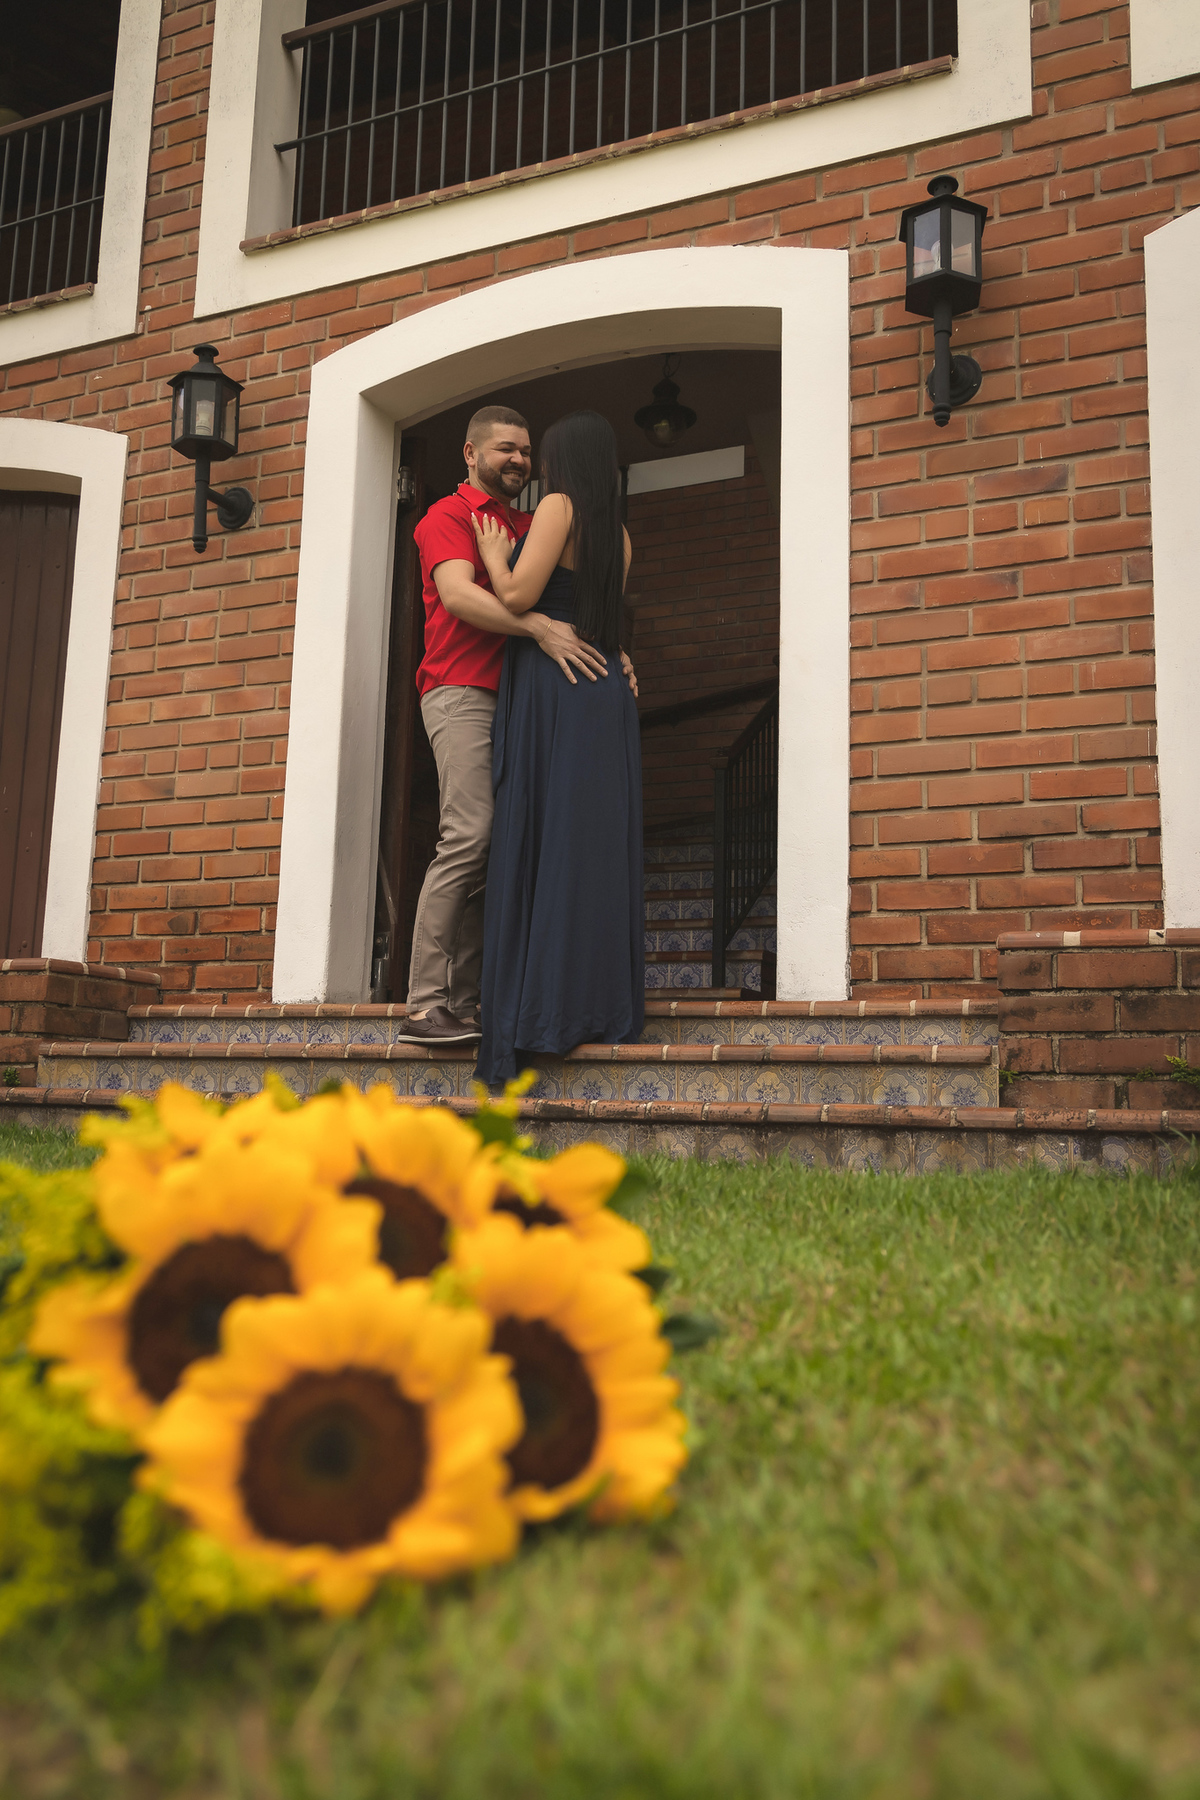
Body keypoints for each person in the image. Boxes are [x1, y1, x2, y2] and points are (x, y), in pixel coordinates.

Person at [400, 405, 635, 1046]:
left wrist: (615, 651)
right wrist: (535, 626)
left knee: (508, 849)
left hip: (526, 705)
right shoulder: (447, 517)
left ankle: (476, 1001)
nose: (520, 461)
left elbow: (574, 588)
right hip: (462, 692)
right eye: (506, 448)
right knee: (470, 836)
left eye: (527, 451)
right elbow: (458, 595)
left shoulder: (532, 521)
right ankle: (425, 1003)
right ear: (471, 454)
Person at [470, 410, 644, 1086]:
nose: (537, 467)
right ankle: (594, 1008)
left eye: (544, 455)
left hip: (558, 686)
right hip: (603, 693)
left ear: (564, 460)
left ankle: (543, 1015)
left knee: (546, 845)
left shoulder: (557, 507)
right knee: (591, 852)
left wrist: (491, 555)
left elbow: (517, 594)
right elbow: (607, 622)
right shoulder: (621, 535)